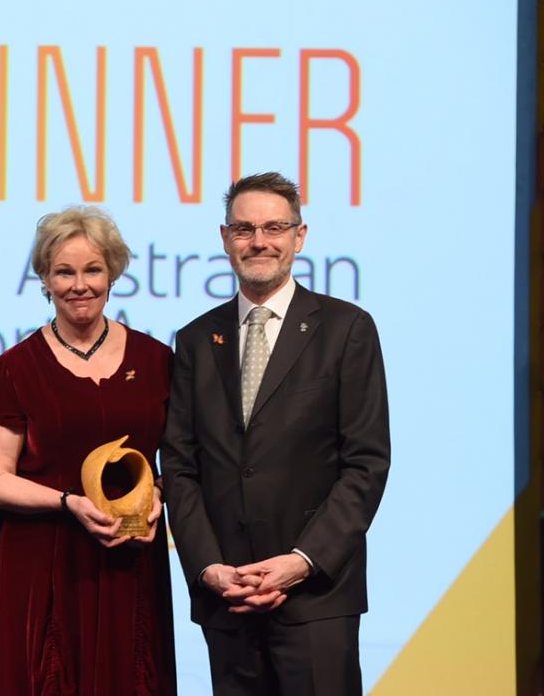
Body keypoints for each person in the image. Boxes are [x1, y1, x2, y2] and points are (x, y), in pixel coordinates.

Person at [160, 172, 390, 696]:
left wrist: (301, 562)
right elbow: (179, 464)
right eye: (243, 229)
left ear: (299, 236)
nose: (258, 241)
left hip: (316, 600)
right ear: (224, 238)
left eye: (273, 227)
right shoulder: (197, 339)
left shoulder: (347, 329)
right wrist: (210, 566)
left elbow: (366, 463)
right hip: (229, 598)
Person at [0, 206, 178, 696]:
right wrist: (67, 503)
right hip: (43, 562)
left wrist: (159, 495)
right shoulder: (15, 368)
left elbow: (183, 461)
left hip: (130, 558)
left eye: (93, 270)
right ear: (44, 278)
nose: (79, 285)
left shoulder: (157, 360)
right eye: (63, 271)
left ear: (113, 273)